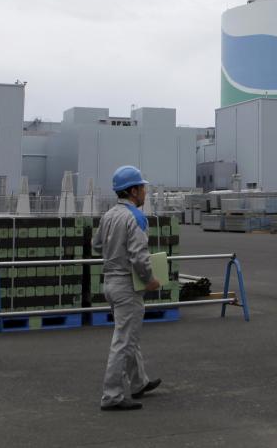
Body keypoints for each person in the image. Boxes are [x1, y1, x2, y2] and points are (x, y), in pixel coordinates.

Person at [95, 165, 162, 411]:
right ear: (133, 191)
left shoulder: (109, 215)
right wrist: (150, 279)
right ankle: (112, 395)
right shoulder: (136, 217)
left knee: (127, 333)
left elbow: (96, 245)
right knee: (124, 340)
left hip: (110, 282)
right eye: (142, 188)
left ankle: (138, 382)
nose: (145, 192)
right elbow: (139, 256)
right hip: (127, 285)